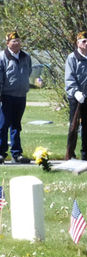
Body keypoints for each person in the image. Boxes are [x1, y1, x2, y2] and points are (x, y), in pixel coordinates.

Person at [64, 31, 87, 161]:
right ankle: (70, 154)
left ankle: (86, 153)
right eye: (84, 41)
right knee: (74, 126)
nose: (86, 43)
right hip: (76, 97)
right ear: (77, 43)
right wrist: (75, 92)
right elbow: (69, 77)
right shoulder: (72, 58)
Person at [0, 31, 31, 164]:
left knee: (16, 125)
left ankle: (17, 154)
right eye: (14, 41)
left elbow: (28, 71)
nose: (17, 43)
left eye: (18, 40)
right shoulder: (2, 57)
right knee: (3, 125)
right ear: (7, 43)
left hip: (21, 96)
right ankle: (1, 153)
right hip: (7, 95)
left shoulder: (26, 57)